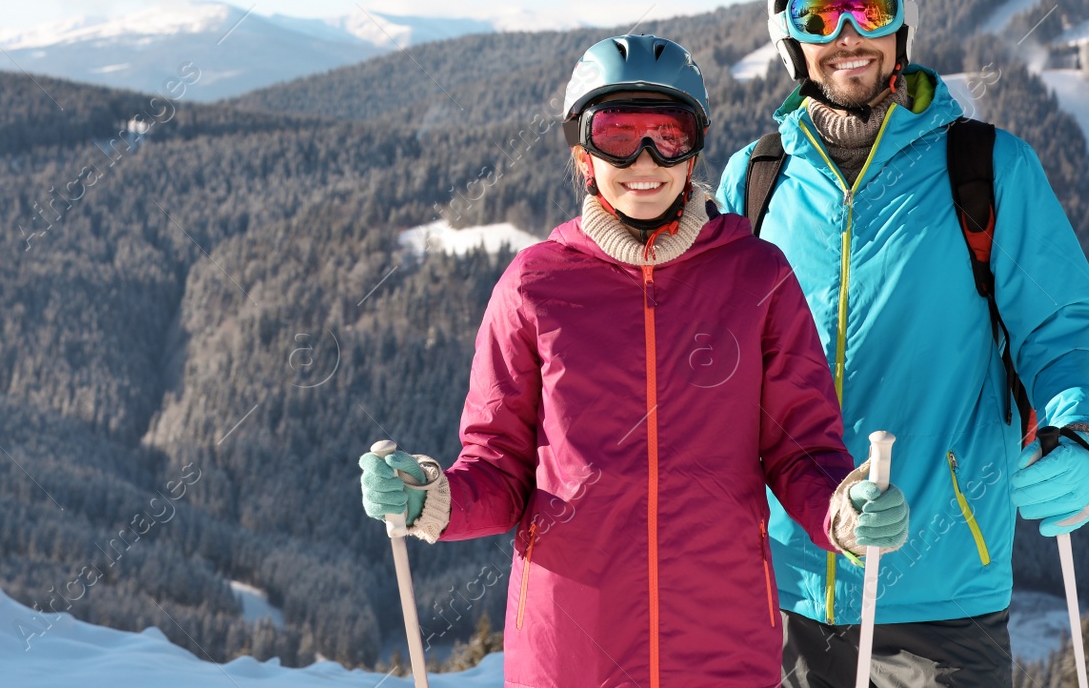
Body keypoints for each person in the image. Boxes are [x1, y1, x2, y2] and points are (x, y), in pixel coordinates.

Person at [358, 34, 911, 688]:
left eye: (667, 134)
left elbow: (800, 452)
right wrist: (433, 497)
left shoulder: (756, 277)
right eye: (618, 134)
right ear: (582, 152)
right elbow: (500, 472)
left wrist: (842, 509)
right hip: (569, 655)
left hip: (722, 654)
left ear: (695, 145)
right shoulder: (534, 285)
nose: (645, 159)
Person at [716, 0, 1089, 687]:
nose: (847, 36)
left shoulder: (986, 167)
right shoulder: (755, 182)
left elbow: (1063, 332)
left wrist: (1084, 435)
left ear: (901, 27)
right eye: (818, 15)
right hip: (780, 585)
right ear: (789, 41)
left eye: (869, 9)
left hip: (942, 594)